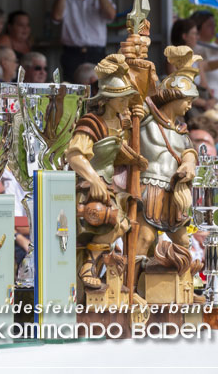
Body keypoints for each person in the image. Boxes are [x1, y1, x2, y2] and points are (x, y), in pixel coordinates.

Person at [65, 54, 143, 289]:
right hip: (90, 187)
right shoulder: (92, 122)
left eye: (127, 98)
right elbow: (75, 155)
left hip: (112, 185)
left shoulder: (121, 123)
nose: (125, 103)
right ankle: (88, 265)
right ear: (107, 98)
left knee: (123, 224)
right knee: (117, 222)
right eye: (121, 98)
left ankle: (95, 268)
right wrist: (94, 179)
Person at [135, 47, 200, 276]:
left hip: (173, 192)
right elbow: (134, 101)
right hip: (148, 187)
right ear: (174, 97)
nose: (190, 106)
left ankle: (185, 285)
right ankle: (130, 289)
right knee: (144, 238)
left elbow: (189, 150)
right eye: (187, 100)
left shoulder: (181, 131)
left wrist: (188, 164)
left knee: (183, 240)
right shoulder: (146, 117)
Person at [52, 0, 116, 82]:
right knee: (71, 90)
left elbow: (111, 15)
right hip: (72, 53)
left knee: (99, 89)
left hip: (96, 53)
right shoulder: (66, 0)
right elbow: (56, 16)